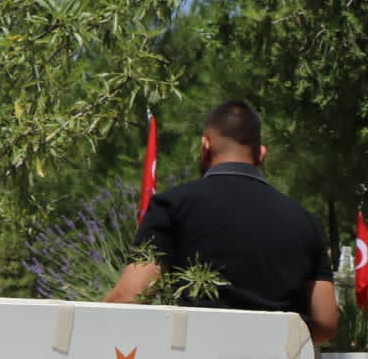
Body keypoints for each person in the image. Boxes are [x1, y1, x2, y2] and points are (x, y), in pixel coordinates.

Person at [104, 101, 338, 343]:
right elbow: (325, 322)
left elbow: (130, 297)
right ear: (261, 154)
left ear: (205, 146)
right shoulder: (306, 222)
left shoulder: (172, 206)